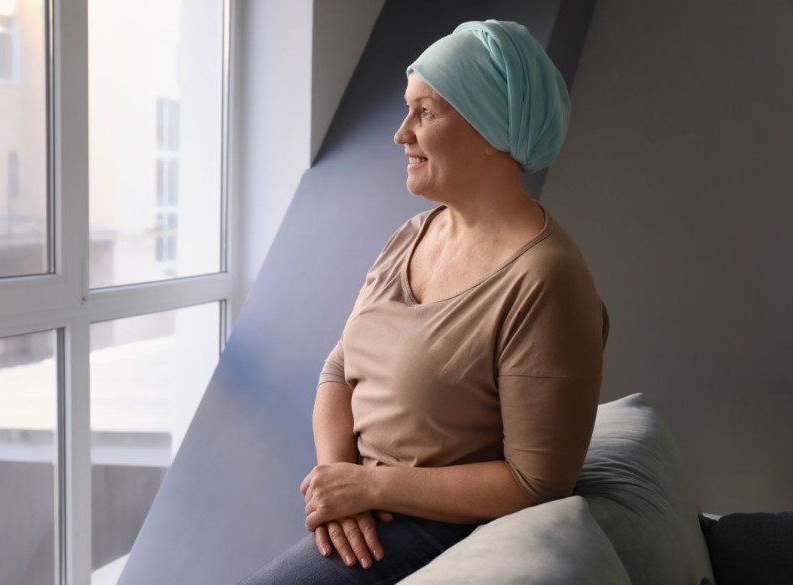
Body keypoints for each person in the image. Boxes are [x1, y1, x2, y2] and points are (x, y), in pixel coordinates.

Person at [240, 19, 608, 585]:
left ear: (490, 129)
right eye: (406, 110)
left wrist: (371, 486)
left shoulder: (545, 279)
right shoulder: (411, 235)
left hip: (440, 532)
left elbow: (536, 484)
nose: (400, 134)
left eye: (425, 113)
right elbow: (340, 368)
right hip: (368, 513)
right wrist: (340, 479)